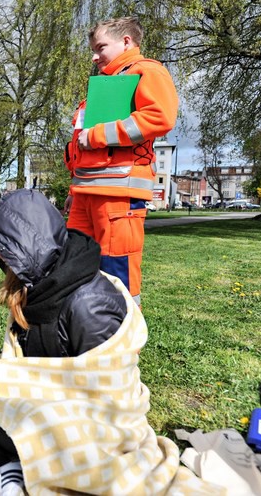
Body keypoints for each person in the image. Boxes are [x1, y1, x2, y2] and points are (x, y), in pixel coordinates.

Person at [0, 189, 126, 494]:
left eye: (4, 246)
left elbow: (106, 404)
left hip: (66, 425)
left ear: (30, 243)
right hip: (34, 399)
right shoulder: (38, 282)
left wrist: (14, 396)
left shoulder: (90, 305)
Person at [63, 16, 179, 305]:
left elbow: (160, 116)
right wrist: (72, 191)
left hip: (119, 192)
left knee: (118, 268)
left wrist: (99, 134)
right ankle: (86, 329)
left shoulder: (147, 71)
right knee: (75, 264)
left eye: (101, 47)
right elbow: (82, 146)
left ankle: (123, 339)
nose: (94, 56)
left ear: (126, 41)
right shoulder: (104, 86)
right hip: (86, 194)